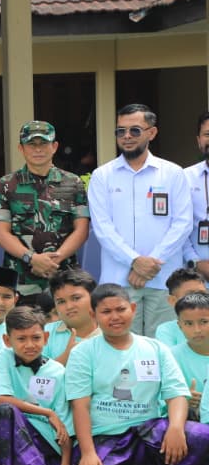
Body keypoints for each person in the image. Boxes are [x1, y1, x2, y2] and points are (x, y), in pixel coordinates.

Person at [67, 284, 209, 465]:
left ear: (133, 309)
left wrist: (175, 428)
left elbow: (176, 394)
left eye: (121, 309)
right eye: (106, 312)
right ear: (94, 315)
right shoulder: (83, 352)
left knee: (203, 437)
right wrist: (87, 453)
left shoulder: (156, 348)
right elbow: (80, 406)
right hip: (105, 439)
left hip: (150, 433)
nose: (115, 317)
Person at [88, 104, 193, 335]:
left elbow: (182, 223)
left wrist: (150, 264)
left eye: (134, 130)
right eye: (120, 131)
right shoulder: (102, 176)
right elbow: (102, 228)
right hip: (119, 280)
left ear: (151, 133)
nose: (126, 136)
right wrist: (134, 260)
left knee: (163, 344)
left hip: (163, 278)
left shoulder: (173, 173)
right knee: (121, 346)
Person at [0, 121, 90, 301]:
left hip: (64, 278)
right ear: (21, 148)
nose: (38, 149)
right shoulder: (6, 185)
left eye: (44, 143)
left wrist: (55, 260)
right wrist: (32, 258)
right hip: (21, 281)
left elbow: (81, 230)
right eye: (31, 144)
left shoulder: (73, 183)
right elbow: (1, 233)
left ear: (54, 147)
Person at [0, 307, 73, 465]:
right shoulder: (3, 358)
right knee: (5, 412)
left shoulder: (58, 371)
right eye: (21, 339)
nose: (29, 345)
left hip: (44, 447)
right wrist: (47, 412)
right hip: (12, 440)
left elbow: (66, 428)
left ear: (46, 338)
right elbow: (0, 399)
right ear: (7, 340)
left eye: (36, 338)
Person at [45, 267, 99, 365]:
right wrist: (66, 356)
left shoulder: (112, 333)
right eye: (61, 302)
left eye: (76, 298)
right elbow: (34, 374)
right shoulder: (44, 333)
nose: (69, 307)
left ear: (94, 297)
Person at [170, 292, 209, 419]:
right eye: (189, 323)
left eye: (204, 322)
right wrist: (182, 401)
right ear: (180, 326)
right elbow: (159, 402)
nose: (197, 330)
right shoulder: (170, 357)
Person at [153, 267, 207, 349]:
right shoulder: (166, 330)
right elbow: (169, 356)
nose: (197, 299)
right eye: (190, 295)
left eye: (202, 294)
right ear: (172, 300)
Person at [184, 111, 209, 279]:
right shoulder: (184, 178)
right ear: (198, 140)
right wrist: (195, 262)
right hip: (195, 278)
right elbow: (176, 227)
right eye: (207, 134)